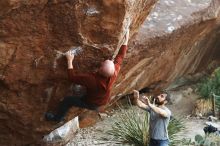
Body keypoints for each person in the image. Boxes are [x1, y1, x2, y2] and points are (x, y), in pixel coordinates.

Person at [45, 29, 130, 122]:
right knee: (86, 94)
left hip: (91, 103)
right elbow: (120, 57)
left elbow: (72, 78)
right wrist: (126, 40)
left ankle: (57, 118)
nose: (107, 60)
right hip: (102, 100)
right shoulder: (114, 73)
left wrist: (69, 60)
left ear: (100, 69)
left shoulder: (91, 80)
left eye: (104, 63)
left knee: (68, 100)